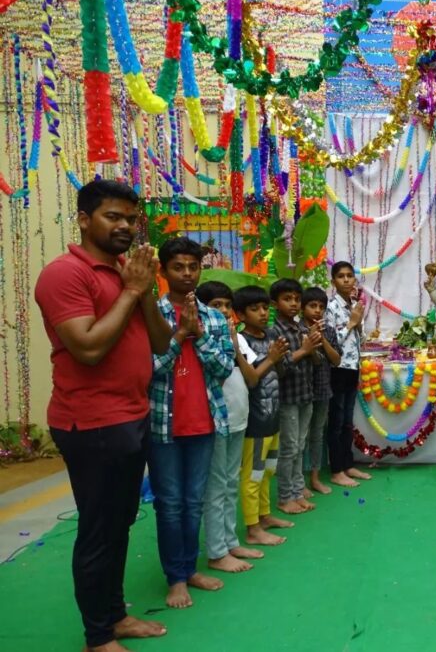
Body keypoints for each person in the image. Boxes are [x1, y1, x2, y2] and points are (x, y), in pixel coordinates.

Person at [34, 179, 172, 651]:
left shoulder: (124, 272)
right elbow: (88, 348)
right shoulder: (64, 274)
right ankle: (98, 636)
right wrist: (131, 292)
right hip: (91, 423)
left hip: (131, 416)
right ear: (84, 219)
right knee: (98, 530)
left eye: (131, 219)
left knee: (120, 522)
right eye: (114, 216)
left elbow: (160, 342)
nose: (126, 227)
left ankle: (115, 616)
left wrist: (145, 290)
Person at [147, 237, 235, 608]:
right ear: (163, 272)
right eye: (178, 267)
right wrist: (179, 334)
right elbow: (146, 371)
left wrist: (197, 336)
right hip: (162, 426)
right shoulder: (149, 313)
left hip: (204, 423)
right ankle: (176, 579)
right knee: (169, 504)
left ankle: (190, 569)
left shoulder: (214, 317)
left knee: (193, 502)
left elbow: (224, 368)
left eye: (193, 267)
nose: (187, 274)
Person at [195, 281, 265, 574]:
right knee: (217, 486)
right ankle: (216, 551)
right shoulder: (200, 339)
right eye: (216, 306)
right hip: (216, 420)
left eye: (226, 305)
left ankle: (230, 541)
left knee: (231, 482)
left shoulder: (237, 338)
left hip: (239, 417)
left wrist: (235, 345)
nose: (223, 311)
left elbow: (251, 378)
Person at [234, 285, 291, 546]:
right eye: (254, 309)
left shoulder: (269, 335)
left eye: (264, 307)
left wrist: (278, 357)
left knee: (268, 471)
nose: (262, 313)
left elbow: (278, 373)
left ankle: (265, 515)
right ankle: (252, 528)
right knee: (253, 475)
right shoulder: (241, 340)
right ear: (240, 314)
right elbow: (253, 378)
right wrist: (272, 357)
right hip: (256, 420)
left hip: (273, 415)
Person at [268, 278, 322, 514]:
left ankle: (298, 492)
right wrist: (304, 350)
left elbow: (317, 362)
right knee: (289, 448)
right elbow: (279, 368)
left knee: (300, 446)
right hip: (288, 397)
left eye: (296, 300)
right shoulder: (275, 332)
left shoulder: (302, 328)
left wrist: (314, 347)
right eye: (287, 299)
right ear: (274, 304)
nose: (293, 304)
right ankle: (284, 497)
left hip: (305, 394)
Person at [324, 261, 372, 487]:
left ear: (354, 280)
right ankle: (336, 470)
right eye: (341, 276)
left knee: (347, 422)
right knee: (336, 421)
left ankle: (348, 465)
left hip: (353, 367)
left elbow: (360, 341)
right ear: (333, 281)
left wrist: (359, 325)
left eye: (349, 276)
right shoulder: (330, 307)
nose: (346, 280)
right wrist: (351, 323)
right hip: (337, 369)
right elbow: (331, 343)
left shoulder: (354, 304)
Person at [300, 286, 341, 496]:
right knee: (300, 437)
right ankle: (298, 483)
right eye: (312, 306)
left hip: (323, 388)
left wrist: (322, 339)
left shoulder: (330, 331)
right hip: (300, 391)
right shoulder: (296, 330)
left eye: (321, 307)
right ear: (302, 307)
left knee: (316, 435)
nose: (317, 311)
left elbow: (336, 360)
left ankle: (314, 478)